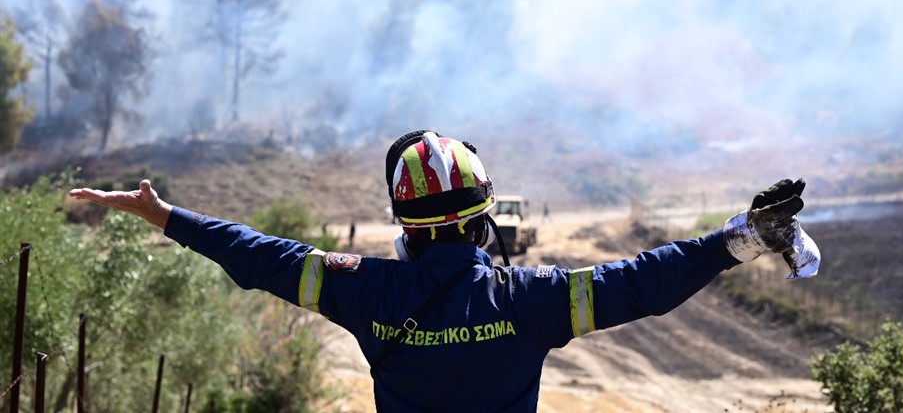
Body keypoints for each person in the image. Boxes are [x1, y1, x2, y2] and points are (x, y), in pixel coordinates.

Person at [68, 130, 820, 412]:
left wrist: (165, 216)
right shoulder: (532, 299)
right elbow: (643, 281)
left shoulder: (364, 289)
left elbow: (264, 257)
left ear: (406, 227)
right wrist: (738, 240)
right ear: (484, 218)